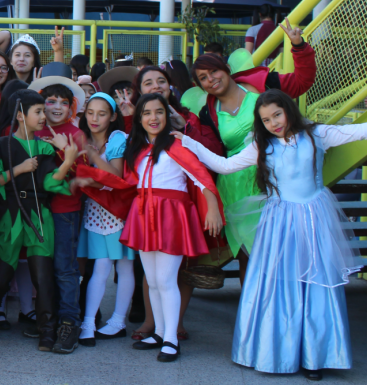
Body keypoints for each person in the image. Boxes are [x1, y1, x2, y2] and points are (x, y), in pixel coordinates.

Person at [179, 90, 367, 380]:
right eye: (266, 120)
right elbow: (225, 165)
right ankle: (274, 353)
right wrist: (187, 142)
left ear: (289, 110)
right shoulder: (261, 145)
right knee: (277, 285)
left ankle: (315, 357)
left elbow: (366, 130)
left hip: (314, 219)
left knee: (317, 283)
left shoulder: (318, 134)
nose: (274, 123)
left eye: (277, 115)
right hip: (279, 222)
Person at [74, 93, 224, 363]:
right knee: (152, 280)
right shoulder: (138, 149)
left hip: (171, 217)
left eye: (159, 112)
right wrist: (89, 178)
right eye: (146, 113)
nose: (153, 118)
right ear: (139, 119)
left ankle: (171, 339)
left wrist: (212, 205)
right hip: (145, 215)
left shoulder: (178, 144)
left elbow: (200, 176)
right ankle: (160, 332)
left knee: (165, 280)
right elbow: (123, 183)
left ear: (167, 115)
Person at [192, 20, 316, 280]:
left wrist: (298, 46)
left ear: (226, 69)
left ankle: (284, 302)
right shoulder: (207, 113)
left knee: (284, 250)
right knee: (249, 256)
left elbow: (302, 81)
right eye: (203, 78)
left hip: (275, 179)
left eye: (213, 71)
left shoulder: (263, 84)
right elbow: (209, 151)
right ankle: (253, 304)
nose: (211, 80)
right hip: (236, 186)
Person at [0, 90, 77, 348]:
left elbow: (51, 183)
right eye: (38, 112)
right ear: (20, 116)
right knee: (1, 273)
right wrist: (19, 169)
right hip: (10, 213)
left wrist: (67, 161)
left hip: (39, 213)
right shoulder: (0, 145)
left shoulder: (45, 147)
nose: (44, 116)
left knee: (42, 276)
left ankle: (47, 330)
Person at [28, 66, 88, 353]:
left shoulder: (77, 134)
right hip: (38, 209)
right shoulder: (34, 130)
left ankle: (69, 323)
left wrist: (66, 151)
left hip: (65, 210)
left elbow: (83, 176)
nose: (56, 107)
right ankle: (46, 321)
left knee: (65, 268)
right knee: (42, 269)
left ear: (71, 107)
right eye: (50, 101)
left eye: (64, 102)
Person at [71, 93, 135, 346]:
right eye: (90, 113)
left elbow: (116, 177)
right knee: (100, 266)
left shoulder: (118, 138)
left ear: (113, 117)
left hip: (120, 210)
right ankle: (88, 323)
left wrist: (93, 160)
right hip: (95, 211)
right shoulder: (81, 137)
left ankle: (118, 321)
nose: (94, 118)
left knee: (124, 266)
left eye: (102, 113)